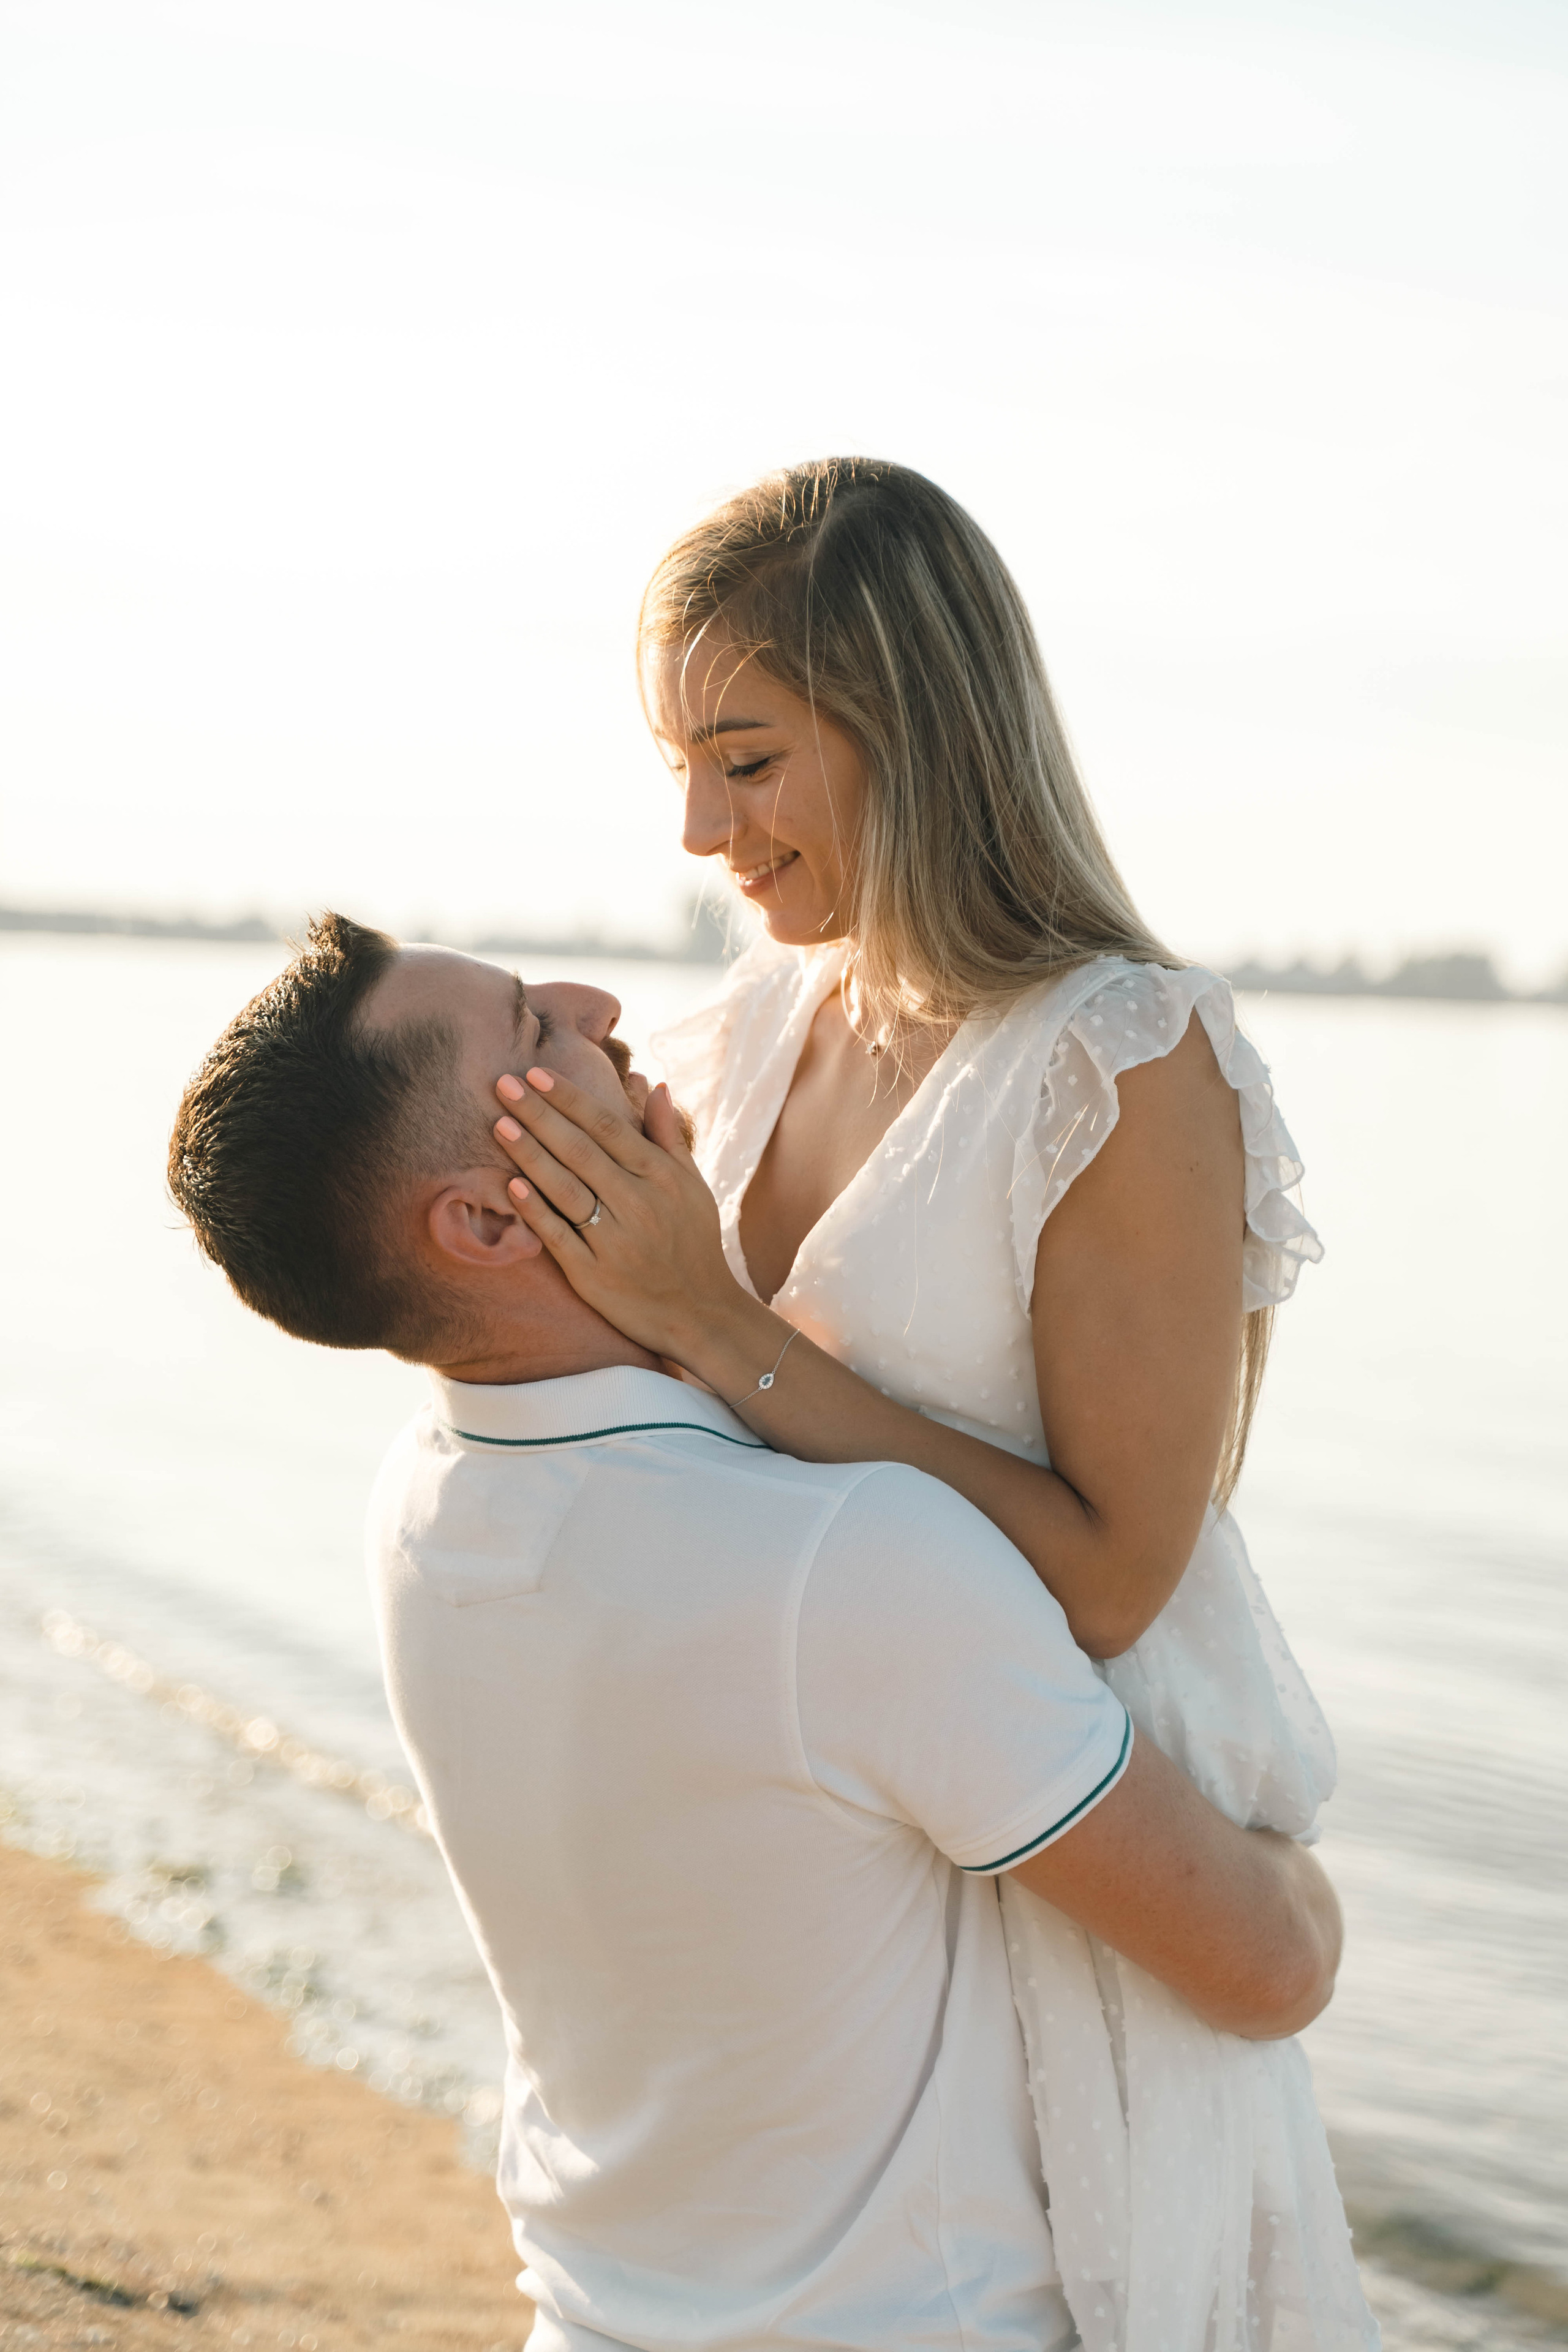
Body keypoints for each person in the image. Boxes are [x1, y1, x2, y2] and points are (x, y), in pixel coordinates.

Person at [479, 459, 1378, 2350]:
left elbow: (1117, 1581)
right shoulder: (748, 1033)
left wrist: (719, 1328)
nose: (702, 827)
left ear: (909, 727)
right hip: (842, 1894)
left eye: (747, 757)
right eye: (681, 764)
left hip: (1089, 1889)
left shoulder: (1120, 1057)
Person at [168, 914, 1345, 2352]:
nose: (597, 1003)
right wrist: (1289, 1872)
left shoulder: (419, 1510)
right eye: (534, 1029)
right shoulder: (848, 1566)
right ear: (485, 1220)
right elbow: (1266, 1971)